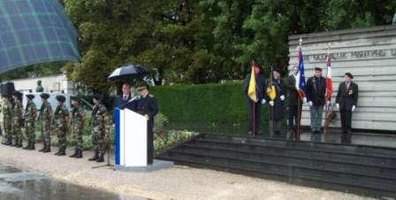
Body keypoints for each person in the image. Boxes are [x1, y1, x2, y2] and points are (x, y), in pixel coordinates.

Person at [128, 83, 158, 165]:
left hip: (148, 121)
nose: (140, 92)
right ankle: (141, 158)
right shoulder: (139, 99)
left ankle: (149, 160)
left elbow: (155, 110)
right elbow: (137, 109)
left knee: (148, 140)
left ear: (145, 90)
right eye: (139, 91)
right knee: (141, 140)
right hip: (139, 121)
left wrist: (148, 115)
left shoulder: (151, 98)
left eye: (141, 91)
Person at [242, 60, 266, 136]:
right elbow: (245, 88)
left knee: (258, 115)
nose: (256, 69)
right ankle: (251, 129)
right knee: (251, 115)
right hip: (250, 99)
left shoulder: (262, 77)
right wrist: (250, 94)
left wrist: (264, 98)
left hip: (259, 98)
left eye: (257, 68)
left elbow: (264, 89)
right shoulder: (249, 76)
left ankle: (257, 129)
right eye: (255, 68)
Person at [306, 67, 327, 134]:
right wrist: (308, 100)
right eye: (316, 72)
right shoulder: (310, 79)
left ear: (321, 73)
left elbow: (327, 90)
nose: (317, 73)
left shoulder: (324, 80)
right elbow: (307, 91)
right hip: (312, 101)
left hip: (321, 101)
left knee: (319, 115)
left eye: (319, 72)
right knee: (313, 115)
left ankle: (318, 128)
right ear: (315, 72)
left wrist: (327, 99)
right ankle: (313, 128)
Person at [267, 68, 286, 136]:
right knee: (272, 116)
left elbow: (285, 90)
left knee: (279, 116)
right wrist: (269, 100)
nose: (278, 74)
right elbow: (267, 92)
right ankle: (271, 130)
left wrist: (284, 95)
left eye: (279, 73)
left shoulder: (282, 81)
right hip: (273, 101)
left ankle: (278, 130)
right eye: (277, 72)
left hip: (280, 101)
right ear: (274, 73)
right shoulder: (270, 81)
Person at [89, 94, 107, 162]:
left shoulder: (102, 108)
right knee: (94, 141)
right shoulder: (95, 107)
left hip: (100, 127)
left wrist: (101, 118)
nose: (93, 100)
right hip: (94, 127)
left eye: (94, 99)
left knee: (100, 142)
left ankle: (101, 156)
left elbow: (106, 118)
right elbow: (93, 116)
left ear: (97, 100)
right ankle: (96, 155)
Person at [287, 65, 303, 140]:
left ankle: (297, 127)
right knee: (291, 115)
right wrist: (295, 87)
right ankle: (290, 128)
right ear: (292, 70)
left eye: (297, 69)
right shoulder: (290, 77)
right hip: (292, 99)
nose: (295, 70)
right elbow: (288, 86)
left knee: (298, 115)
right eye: (294, 69)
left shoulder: (300, 78)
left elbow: (303, 87)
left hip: (299, 99)